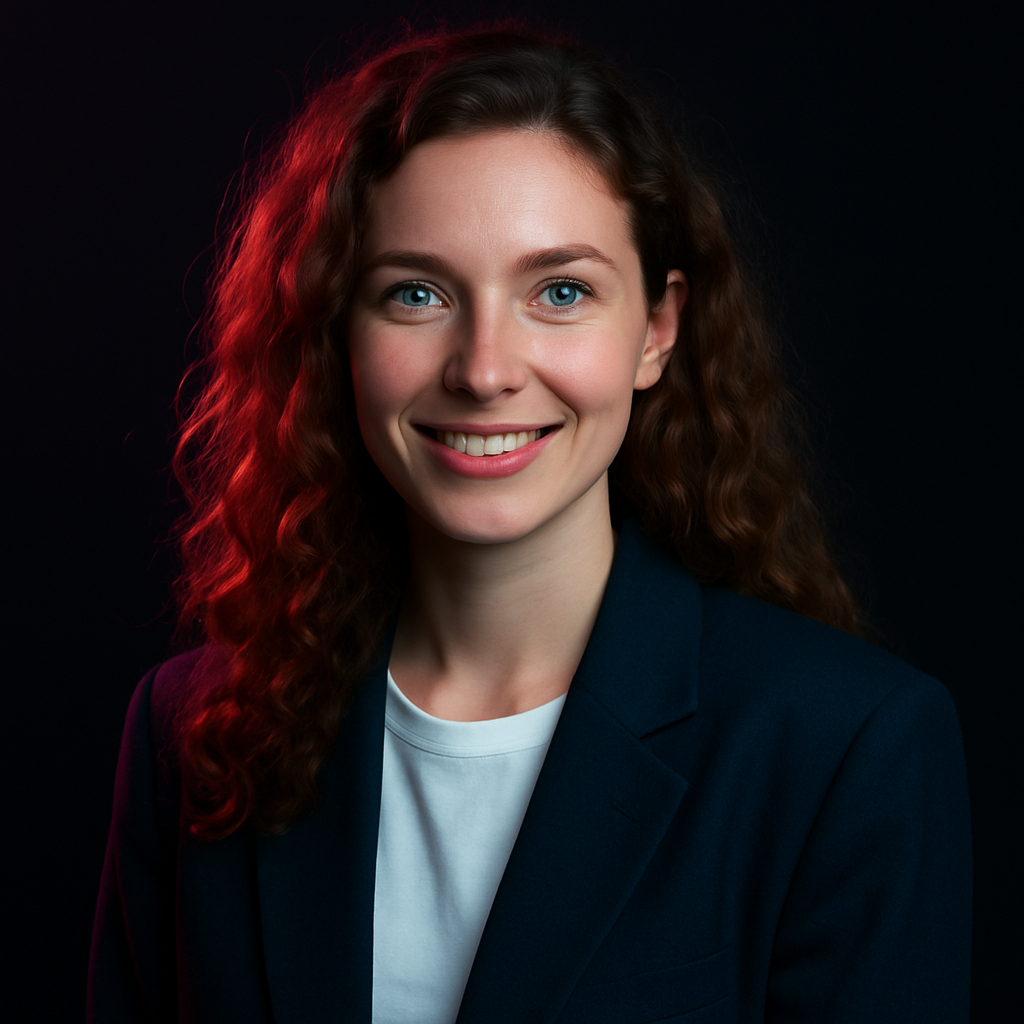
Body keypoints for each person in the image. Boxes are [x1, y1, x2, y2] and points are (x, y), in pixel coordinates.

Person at [88, 24, 971, 1024]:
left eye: (560, 291)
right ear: (339, 332)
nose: (484, 369)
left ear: (656, 330)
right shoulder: (192, 735)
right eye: (415, 293)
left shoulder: (844, 745)